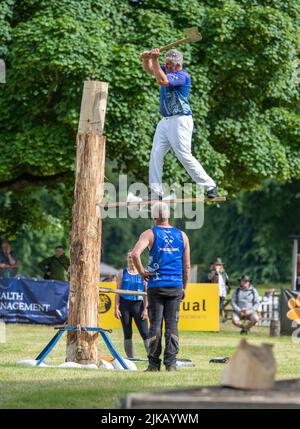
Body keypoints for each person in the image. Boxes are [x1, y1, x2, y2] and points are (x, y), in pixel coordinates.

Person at [140, 48, 217, 200]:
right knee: (155, 154)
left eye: (168, 65)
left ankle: (210, 185)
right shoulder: (167, 70)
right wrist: (146, 59)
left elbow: (162, 81)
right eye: (165, 64)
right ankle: (155, 191)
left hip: (181, 120)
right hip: (166, 120)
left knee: (184, 156)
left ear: (177, 65)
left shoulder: (182, 76)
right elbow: (150, 69)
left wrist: (154, 59)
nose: (166, 67)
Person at [132, 201, 190, 371]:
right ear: (168, 215)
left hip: (156, 285)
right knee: (172, 324)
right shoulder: (182, 235)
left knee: (155, 324)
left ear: (154, 216)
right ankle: (171, 363)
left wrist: (142, 272)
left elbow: (135, 254)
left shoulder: (149, 233)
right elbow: (187, 266)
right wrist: (184, 287)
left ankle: (153, 365)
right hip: (175, 285)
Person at [114, 250, 149, 359]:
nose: (131, 260)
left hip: (139, 305)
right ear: (127, 259)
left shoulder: (143, 273)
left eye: (133, 257)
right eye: (129, 257)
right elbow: (117, 291)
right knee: (127, 333)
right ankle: (131, 358)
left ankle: (152, 357)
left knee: (145, 333)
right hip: (125, 306)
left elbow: (146, 294)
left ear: (137, 258)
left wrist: (146, 309)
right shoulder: (122, 273)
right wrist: (116, 307)